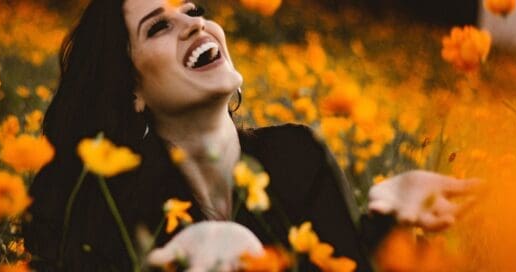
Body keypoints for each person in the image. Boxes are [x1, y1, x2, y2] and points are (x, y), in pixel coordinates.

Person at [24, 0, 475, 271]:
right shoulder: (125, 211)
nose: (195, 24)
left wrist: (386, 214)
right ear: (132, 91)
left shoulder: (299, 156)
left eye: (193, 11)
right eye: (159, 26)